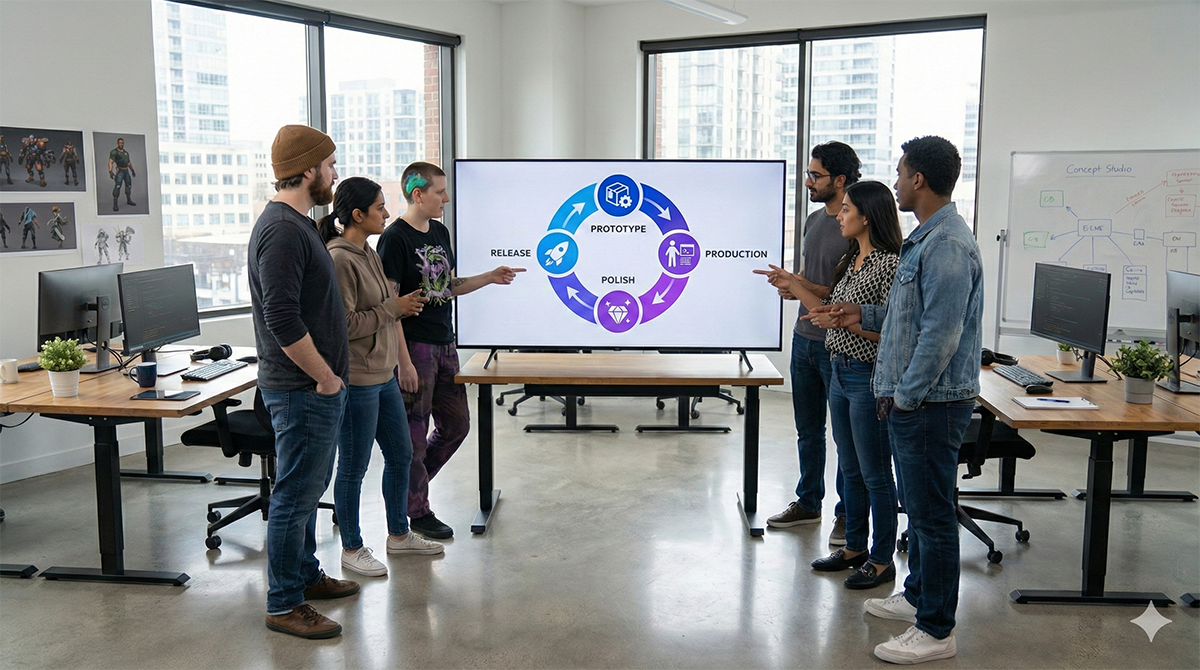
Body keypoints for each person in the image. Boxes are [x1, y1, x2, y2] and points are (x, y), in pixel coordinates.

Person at [807, 136, 983, 664]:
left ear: (919, 180)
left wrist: (904, 397)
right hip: (916, 399)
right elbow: (908, 318)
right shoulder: (927, 239)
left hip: (929, 402)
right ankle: (917, 598)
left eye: (902, 172)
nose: (898, 181)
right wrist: (861, 315)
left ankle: (935, 630)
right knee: (924, 511)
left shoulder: (947, 244)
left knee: (930, 517)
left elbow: (939, 335)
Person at [764, 181, 903, 589]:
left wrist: (848, 324)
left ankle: (881, 559)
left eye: (846, 210)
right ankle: (854, 546)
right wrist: (796, 287)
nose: (838, 216)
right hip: (841, 371)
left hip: (865, 376)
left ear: (867, 216)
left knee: (875, 473)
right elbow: (827, 312)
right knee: (851, 467)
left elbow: (895, 331)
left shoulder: (889, 265)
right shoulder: (851, 260)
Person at [249, 124, 358, 640]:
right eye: (330, 165)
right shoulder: (283, 231)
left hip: (313, 387)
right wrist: (327, 378)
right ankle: (283, 603)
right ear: (309, 169)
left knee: (308, 490)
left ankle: (305, 576)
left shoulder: (299, 224)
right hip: (303, 389)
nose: (335, 174)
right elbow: (283, 318)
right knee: (295, 495)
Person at [377, 161, 524, 540]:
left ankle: (408, 491)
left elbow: (447, 286)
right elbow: (391, 305)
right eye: (440, 192)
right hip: (414, 348)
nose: (446, 198)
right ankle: (416, 510)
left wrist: (489, 277)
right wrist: (403, 362)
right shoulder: (394, 239)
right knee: (413, 435)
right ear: (418, 194)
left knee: (457, 425)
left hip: (445, 343)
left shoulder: (439, 231)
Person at [319, 176, 444, 578]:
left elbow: (386, 307)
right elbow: (344, 324)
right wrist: (395, 309)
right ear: (357, 215)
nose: (387, 214)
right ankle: (352, 547)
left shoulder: (368, 252)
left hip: (383, 374)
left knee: (402, 454)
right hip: (356, 380)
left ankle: (399, 534)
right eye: (379, 208)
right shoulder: (339, 260)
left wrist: (396, 318)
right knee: (353, 467)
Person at [763, 141, 860, 545]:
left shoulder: (857, 223)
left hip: (838, 344)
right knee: (807, 430)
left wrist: (799, 285)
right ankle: (808, 502)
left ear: (840, 180)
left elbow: (846, 293)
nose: (808, 182)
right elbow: (812, 275)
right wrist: (795, 285)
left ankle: (845, 514)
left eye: (815, 175)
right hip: (803, 338)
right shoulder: (813, 220)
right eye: (808, 173)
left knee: (845, 437)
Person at [108, 137, 137, 211]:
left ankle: (129, 200)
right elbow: (110, 162)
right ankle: (115, 204)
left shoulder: (126, 153)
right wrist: (110, 171)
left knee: (128, 186)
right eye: (120, 143)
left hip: (126, 171)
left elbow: (129, 163)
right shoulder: (114, 152)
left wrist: (132, 170)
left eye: (122, 143)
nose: (121, 144)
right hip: (120, 171)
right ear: (117, 143)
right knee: (117, 187)